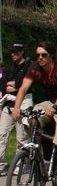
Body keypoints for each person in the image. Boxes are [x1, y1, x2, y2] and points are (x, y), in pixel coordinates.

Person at [12, 40, 57, 186]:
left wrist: (55, 107)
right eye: (37, 55)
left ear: (52, 56)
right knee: (33, 118)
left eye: (44, 55)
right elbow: (22, 88)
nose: (40, 58)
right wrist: (16, 108)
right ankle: (36, 153)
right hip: (49, 102)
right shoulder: (35, 68)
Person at [0, 43, 33, 176]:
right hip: (8, 103)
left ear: (22, 52)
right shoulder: (9, 67)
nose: (13, 54)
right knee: (2, 134)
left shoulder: (29, 66)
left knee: (21, 137)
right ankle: (1, 164)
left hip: (24, 103)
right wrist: (15, 85)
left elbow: (24, 84)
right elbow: (2, 85)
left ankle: (21, 164)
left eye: (16, 52)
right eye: (12, 52)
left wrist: (16, 85)